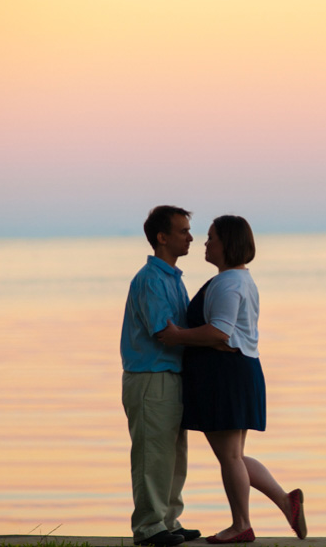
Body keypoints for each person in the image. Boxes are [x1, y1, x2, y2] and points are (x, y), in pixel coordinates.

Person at [158, 215, 306, 544]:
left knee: (230, 457)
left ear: (228, 244)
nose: (205, 243)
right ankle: (285, 501)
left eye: (212, 238)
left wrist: (177, 335)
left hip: (225, 374)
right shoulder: (240, 280)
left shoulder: (228, 283)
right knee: (234, 456)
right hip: (238, 370)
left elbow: (220, 332)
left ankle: (241, 525)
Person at [121, 206, 208, 546]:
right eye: (183, 230)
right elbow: (165, 333)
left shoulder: (172, 277)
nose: (190, 236)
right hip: (150, 376)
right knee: (152, 454)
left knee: (173, 454)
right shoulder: (151, 280)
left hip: (170, 375)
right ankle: (148, 526)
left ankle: (168, 520)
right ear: (162, 237)